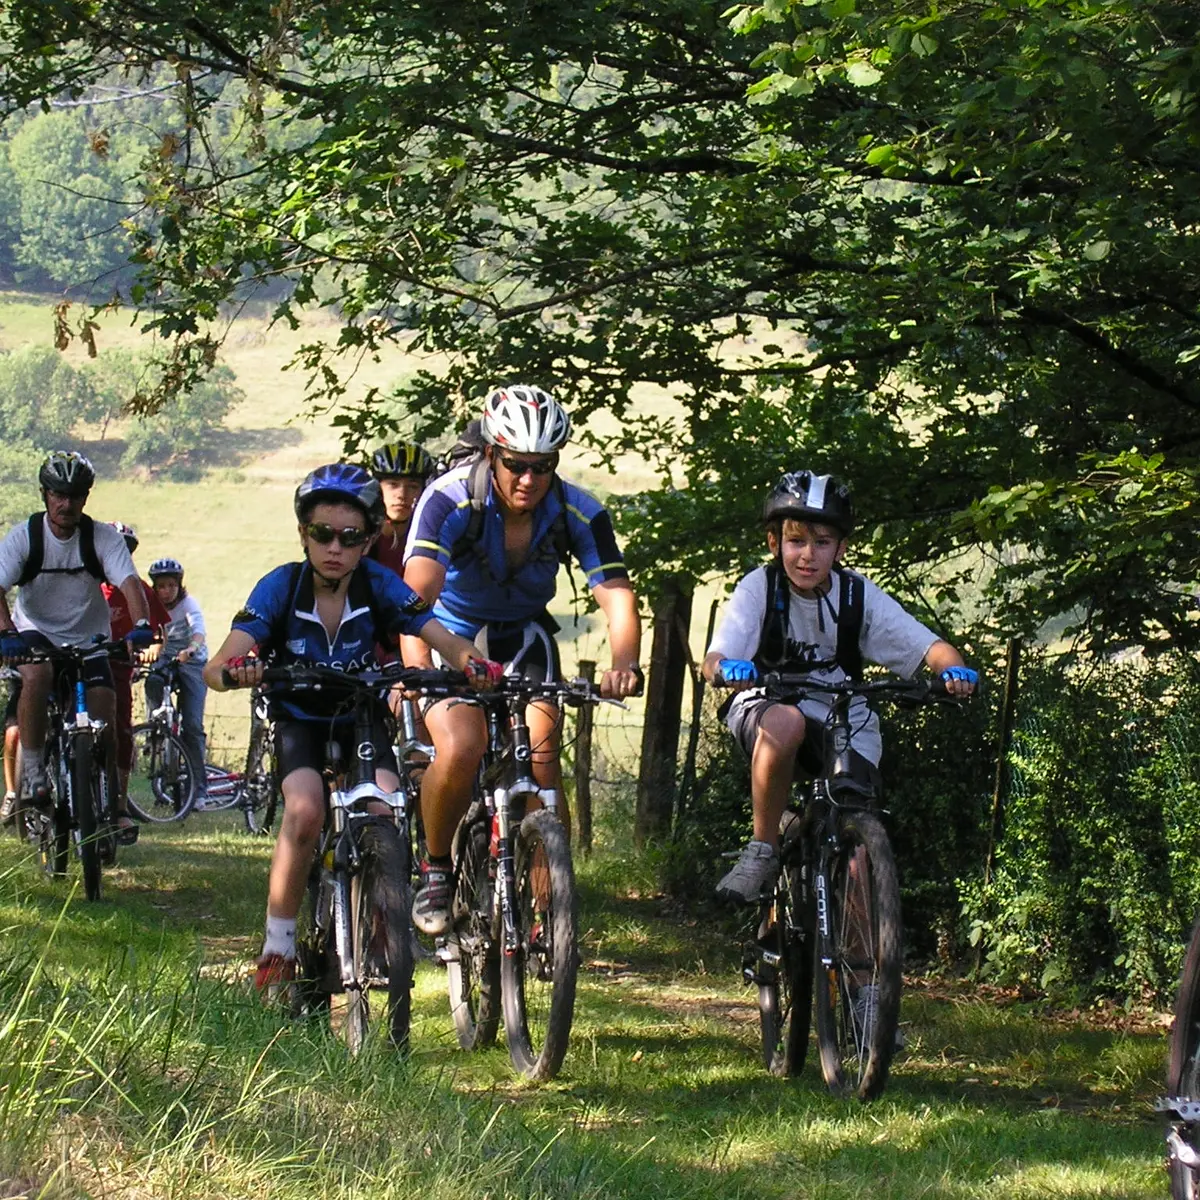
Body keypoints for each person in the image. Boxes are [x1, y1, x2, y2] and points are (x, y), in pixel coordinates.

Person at [203, 463, 501, 993]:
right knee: (305, 809)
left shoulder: (379, 584)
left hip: (360, 716)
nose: (334, 547)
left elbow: (434, 631)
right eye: (322, 534)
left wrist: (469, 661)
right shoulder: (280, 587)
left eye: (350, 536)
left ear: (367, 541)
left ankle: (380, 922)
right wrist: (236, 670)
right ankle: (278, 947)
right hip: (300, 718)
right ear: (304, 534)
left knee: (387, 808)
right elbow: (219, 663)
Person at [402, 384, 642, 936]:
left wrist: (624, 662)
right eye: (516, 465)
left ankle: (545, 915)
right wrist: (418, 668)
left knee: (542, 764)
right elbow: (414, 598)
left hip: (525, 640)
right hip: (449, 636)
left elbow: (618, 596)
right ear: (492, 453)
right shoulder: (448, 498)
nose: (529, 480)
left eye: (543, 466)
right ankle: (436, 868)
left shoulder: (576, 509)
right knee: (462, 746)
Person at [702, 470, 979, 904]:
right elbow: (714, 658)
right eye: (796, 541)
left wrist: (952, 673)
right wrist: (727, 668)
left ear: (841, 548)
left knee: (857, 836)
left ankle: (859, 963)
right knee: (788, 721)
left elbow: (929, 645)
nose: (807, 555)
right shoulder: (760, 587)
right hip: (767, 707)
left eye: (822, 543)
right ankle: (762, 849)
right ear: (775, 544)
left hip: (843, 713)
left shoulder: (855, 595)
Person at [0, 451, 155, 842]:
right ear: (44, 495)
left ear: (86, 498)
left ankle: (100, 792)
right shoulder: (24, 538)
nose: (66, 504)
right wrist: (6, 635)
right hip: (35, 630)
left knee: (104, 702)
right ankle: (34, 769)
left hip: (89, 635)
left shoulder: (102, 537)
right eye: (58, 495)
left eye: (75, 495)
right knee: (37, 674)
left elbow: (130, 584)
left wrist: (140, 626)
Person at [103, 523, 170, 818]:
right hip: (82, 660)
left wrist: (153, 649)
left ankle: (119, 805)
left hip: (118, 665)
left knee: (121, 730)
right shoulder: (86, 583)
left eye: (126, 549)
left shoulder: (138, 587)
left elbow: (158, 631)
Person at [145, 557, 211, 809]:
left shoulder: (188, 604)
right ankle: (155, 727)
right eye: (160, 586)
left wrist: (191, 649)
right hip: (164, 659)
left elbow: (198, 631)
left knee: (192, 727)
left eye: (171, 585)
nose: (165, 591)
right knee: (152, 680)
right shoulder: (151, 606)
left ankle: (199, 791)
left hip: (191, 662)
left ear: (179, 585)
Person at [367, 440, 436, 576]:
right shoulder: (363, 535)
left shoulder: (432, 533)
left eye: (413, 487)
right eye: (393, 485)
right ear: (377, 487)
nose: (402, 495)